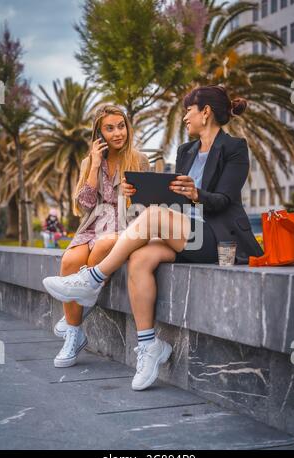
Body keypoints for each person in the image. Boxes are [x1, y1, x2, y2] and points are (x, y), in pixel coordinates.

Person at [43, 85, 263, 390]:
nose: (185, 116)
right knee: (139, 258)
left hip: (215, 237)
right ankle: (149, 346)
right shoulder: (186, 151)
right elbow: (167, 204)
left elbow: (225, 200)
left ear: (206, 112)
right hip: (183, 234)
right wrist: (138, 196)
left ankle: (93, 279)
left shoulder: (234, 147)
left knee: (155, 220)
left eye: (189, 109)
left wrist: (197, 193)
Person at [51, 104, 150, 367]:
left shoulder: (138, 159)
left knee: (106, 244)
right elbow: (83, 205)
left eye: (121, 126)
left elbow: (150, 205)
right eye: (110, 128)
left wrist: (134, 196)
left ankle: (75, 314)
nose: (118, 133)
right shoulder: (89, 162)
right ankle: (74, 335)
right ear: (99, 133)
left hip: (125, 225)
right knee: (70, 262)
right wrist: (94, 165)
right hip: (93, 225)